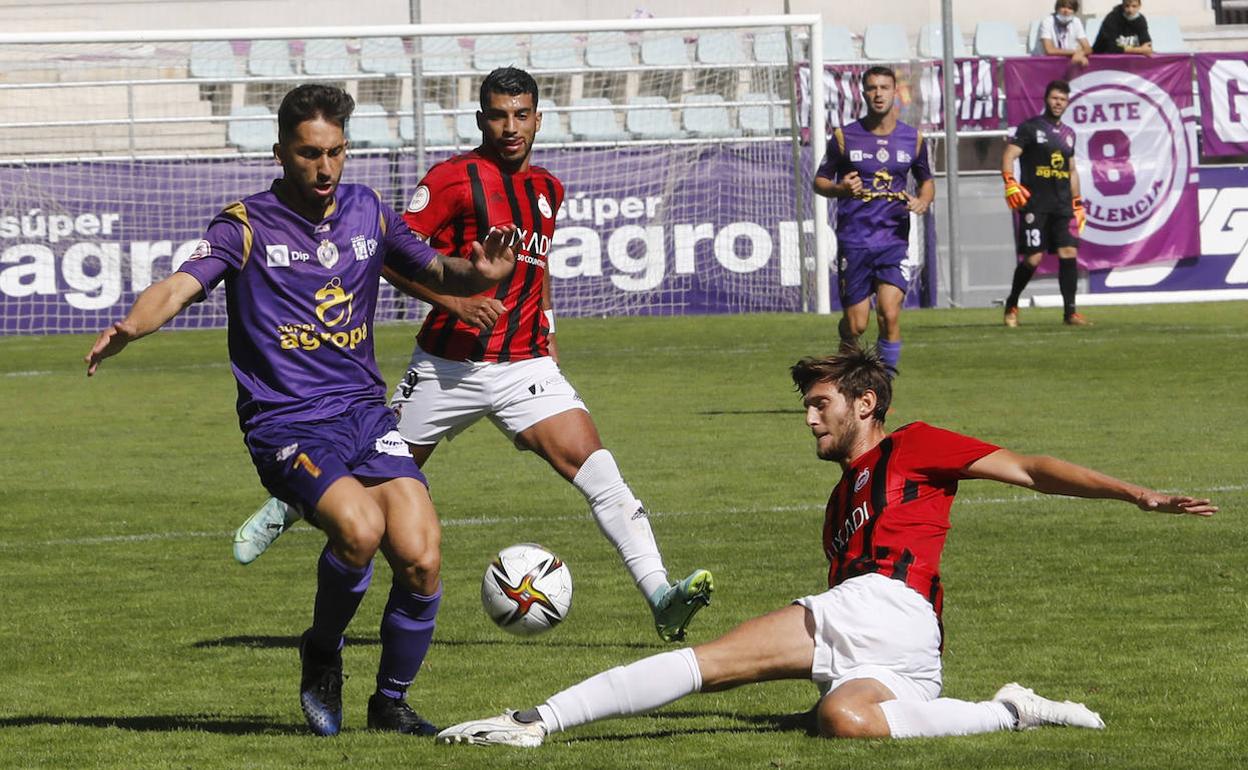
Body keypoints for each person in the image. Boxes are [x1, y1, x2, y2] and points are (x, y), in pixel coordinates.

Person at [432, 344, 1216, 748]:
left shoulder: (914, 446)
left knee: (706, 665)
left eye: (820, 405)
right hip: (910, 649)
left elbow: (1032, 468)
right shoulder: (842, 498)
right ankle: (1007, 713)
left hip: (887, 605)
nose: (809, 419)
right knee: (843, 721)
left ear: (865, 404)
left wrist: (1133, 492)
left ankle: (540, 719)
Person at [85, 84, 518, 738]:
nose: (325, 168)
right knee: (361, 530)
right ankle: (321, 649)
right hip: (285, 422)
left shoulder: (367, 210)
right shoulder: (246, 224)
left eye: (336, 153)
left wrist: (478, 272)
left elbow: (435, 269)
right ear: (282, 152)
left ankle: (390, 704)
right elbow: (180, 284)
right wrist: (129, 327)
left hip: (363, 416)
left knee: (423, 556)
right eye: (310, 154)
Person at [232, 67, 715, 644]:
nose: (510, 127)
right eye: (498, 115)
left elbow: (538, 269)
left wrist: (548, 329)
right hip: (446, 367)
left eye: (521, 115)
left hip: (525, 366)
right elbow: (384, 255)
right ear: (480, 119)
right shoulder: (452, 180)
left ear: (538, 118)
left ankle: (660, 594)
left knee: (601, 473)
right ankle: (287, 501)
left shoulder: (547, 189)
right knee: (360, 468)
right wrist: (456, 304)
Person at [812, 66, 935, 377]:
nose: (878, 93)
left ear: (896, 92)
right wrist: (840, 188)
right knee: (857, 324)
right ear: (863, 93)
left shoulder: (913, 139)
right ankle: (845, 350)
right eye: (872, 88)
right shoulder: (844, 137)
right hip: (855, 240)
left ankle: (883, 390)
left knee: (889, 314)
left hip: (893, 241)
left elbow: (927, 181)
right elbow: (820, 181)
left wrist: (923, 200)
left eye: (884, 87)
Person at [1001, 79, 1090, 327]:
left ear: (1067, 102)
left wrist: (1078, 203)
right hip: (1035, 203)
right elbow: (1009, 154)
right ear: (1046, 99)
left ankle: (1070, 313)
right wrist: (1010, 182)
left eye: (1062, 99)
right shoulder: (1030, 128)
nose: (1058, 103)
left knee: (1069, 251)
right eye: (1054, 98)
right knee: (1033, 259)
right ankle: (1012, 303)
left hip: (1062, 204)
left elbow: (1071, 170)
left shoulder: (1069, 134)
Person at [1033, 0, 1092, 66]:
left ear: (1074, 11)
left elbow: (1088, 48)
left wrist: (1080, 54)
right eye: (1063, 7)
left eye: (1070, 8)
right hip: (1042, 64)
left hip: (1063, 63)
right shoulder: (1047, 22)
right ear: (1057, 8)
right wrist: (1076, 52)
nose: (1066, 11)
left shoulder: (1076, 22)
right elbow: (1049, 50)